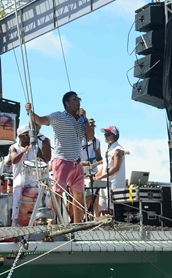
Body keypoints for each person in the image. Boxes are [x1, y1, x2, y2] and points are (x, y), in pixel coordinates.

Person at [25, 91, 95, 224]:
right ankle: (50, 223)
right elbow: (40, 120)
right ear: (67, 103)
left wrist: (84, 119)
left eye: (79, 98)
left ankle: (76, 224)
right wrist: (30, 111)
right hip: (62, 160)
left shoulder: (81, 121)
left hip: (76, 162)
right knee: (57, 193)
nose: (78, 101)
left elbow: (90, 137)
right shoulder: (59, 116)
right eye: (75, 99)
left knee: (79, 194)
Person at [9, 125, 46, 227]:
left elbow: (44, 161)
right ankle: (15, 228)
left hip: (32, 184)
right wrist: (23, 151)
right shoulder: (14, 147)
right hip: (18, 182)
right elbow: (14, 160)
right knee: (17, 206)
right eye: (26, 134)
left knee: (32, 206)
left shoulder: (35, 148)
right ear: (20, 136)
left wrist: (40, 160)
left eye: (30, 134)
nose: (29, 137)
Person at [94, 126, 126, 216]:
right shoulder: (109, 149)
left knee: (112, 210)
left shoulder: (118, 149)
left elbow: (116, 168)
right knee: (103, 208)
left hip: (114, 185)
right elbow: (104, 167)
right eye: (105, 134)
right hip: (105, 184)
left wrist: (100, 177)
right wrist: (94, 177)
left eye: (108, 134)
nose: (105, 136)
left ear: (114, 135)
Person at [80, 119, 103, 218]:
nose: (92, 128)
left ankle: (95, 221)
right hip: (80, 172)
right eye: (90, 125)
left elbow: (99, 157)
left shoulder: (96, 141)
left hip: (93, 173)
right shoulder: (78, 139)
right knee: (83, 198)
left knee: (95, 198)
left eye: (94, 126)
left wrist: (103, 162)